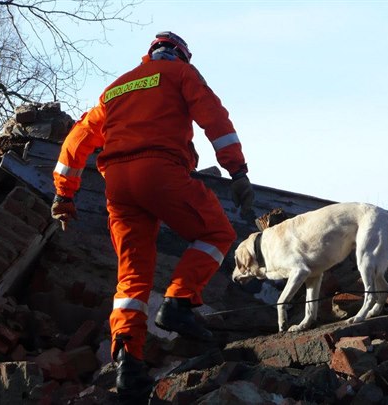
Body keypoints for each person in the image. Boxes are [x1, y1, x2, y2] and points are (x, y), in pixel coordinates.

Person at [50, 31, 254, 403]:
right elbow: (215, 120)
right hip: (159, 170)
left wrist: (65, 195)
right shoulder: (180, 75)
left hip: (118, 187)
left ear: (150, 54)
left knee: (131, 279)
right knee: (217, 232)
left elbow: (75, 142)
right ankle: (178, 302)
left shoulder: (116, 88)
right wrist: (237, 171)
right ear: (181, 55)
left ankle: (129, 368)